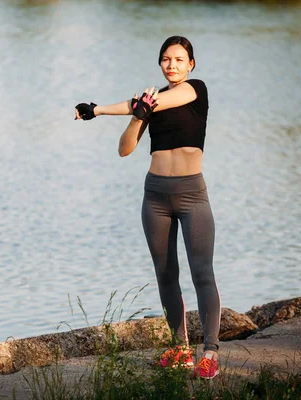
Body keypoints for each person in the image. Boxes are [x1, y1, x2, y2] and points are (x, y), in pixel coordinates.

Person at [74, 36, 221, 379]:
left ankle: (210, 352)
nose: (172, 65)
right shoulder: (150, 104)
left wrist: (132, 105)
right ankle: (181, 349)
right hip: (155, 195)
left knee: (202, 272)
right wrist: (130, 114)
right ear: (160, 63)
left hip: (191, 194)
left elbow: (154, 101)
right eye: (166, 59)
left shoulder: (195, 90)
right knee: (166, 274)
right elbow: (125, 149)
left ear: (191, 65)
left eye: (179, 59)